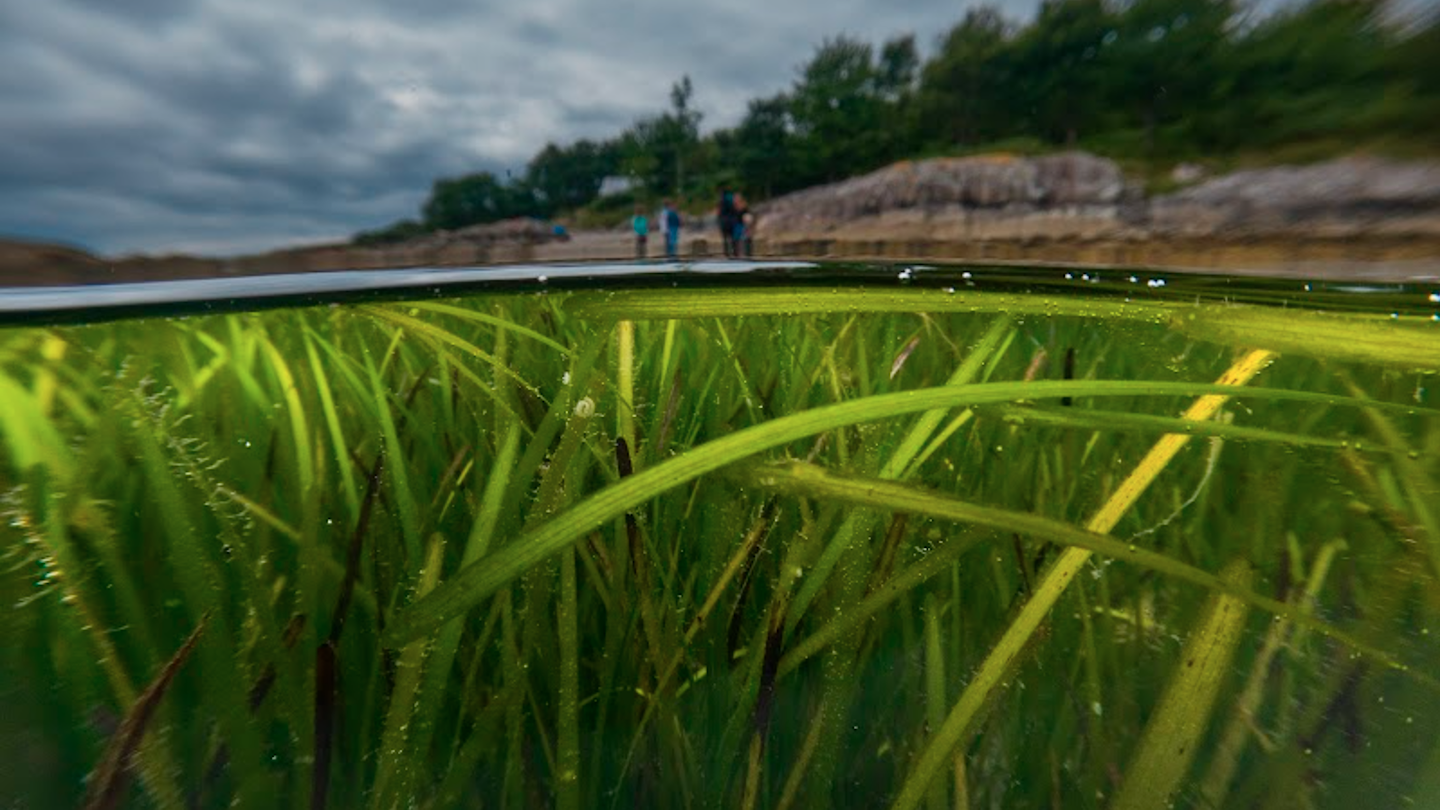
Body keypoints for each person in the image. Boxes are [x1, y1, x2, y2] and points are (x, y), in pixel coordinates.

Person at [716, 185, 739, 257]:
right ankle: (735, 254)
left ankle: (727, 254)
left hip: (724, 222)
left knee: (725, 239)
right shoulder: (730, 199)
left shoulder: (720, 201)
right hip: (731, 222)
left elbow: (719, 213)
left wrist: (719, 221)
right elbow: (734, 211)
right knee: (733, 238)